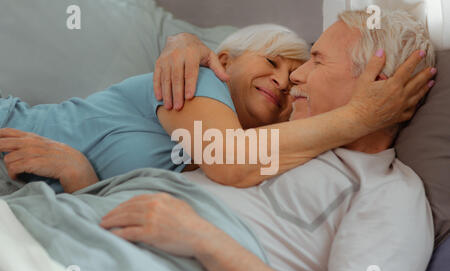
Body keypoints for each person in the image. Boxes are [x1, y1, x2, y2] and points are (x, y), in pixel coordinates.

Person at [101, 9, 437, 271]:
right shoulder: (259, 137)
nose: (295, 76)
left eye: (317, 60)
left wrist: (203, 239)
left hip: (118, 270)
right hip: (83, 219)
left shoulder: (389, 192)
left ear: (376, 82)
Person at [0, 23, 434, 194]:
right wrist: (363, 115)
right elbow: (231, 161)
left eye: (295, 74)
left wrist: (80, 175)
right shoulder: (196, 80)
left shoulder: (256, 151)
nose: (284, 81)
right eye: (271, 62)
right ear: (224, 61)